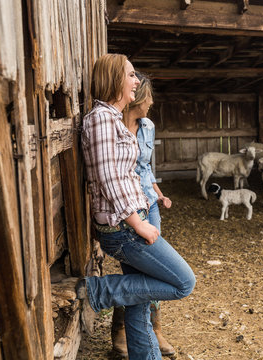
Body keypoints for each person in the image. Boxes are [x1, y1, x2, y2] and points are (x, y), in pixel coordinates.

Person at [79, 53, 195, 360]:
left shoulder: (112, 118)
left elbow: (127, 173)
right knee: (184, 282)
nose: (136, 81)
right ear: (114, 79)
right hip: (123, 229)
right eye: (131, 75)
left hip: (129, 222)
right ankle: (97, 292)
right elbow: (109, 178)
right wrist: (137, 222)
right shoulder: (101, 119)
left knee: (139, 302)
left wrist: (147, 202)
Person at [110, 72, 175, 357]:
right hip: (126, 208)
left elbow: (146, 169)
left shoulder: (147, 126)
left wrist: (158, 194)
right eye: (149, 98)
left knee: (149, 270)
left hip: (149, 203)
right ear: (137, 98)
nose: (151, 104)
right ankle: (123, 329)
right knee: (136, 272)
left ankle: (152, 329)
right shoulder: (111, 125)